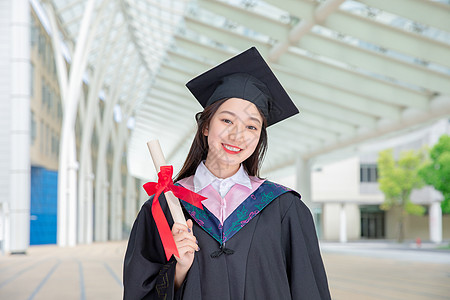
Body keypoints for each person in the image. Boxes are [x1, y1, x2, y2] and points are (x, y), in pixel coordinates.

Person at [123, 47, 331, 300]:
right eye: (227, 120)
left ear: (259, 138)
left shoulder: (285, 209)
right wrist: (180, 269)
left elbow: (308, 289)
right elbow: (139, 291)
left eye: (251, 126)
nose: (237, 135)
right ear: (206, 127)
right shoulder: (163, 208)